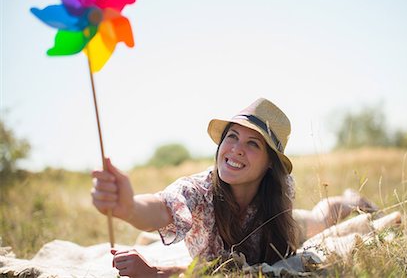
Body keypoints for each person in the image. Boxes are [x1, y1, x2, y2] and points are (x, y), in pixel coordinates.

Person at [91, 98, 378, 277]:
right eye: (232, 137)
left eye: (252, 144)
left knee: (319, 218)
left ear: (269, 164)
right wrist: (127, 208)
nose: (236, 150)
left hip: (284, 230)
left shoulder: (278, 190)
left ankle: (351, 199)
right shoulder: (198, 191)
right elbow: (161, 207)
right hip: (220, 257)